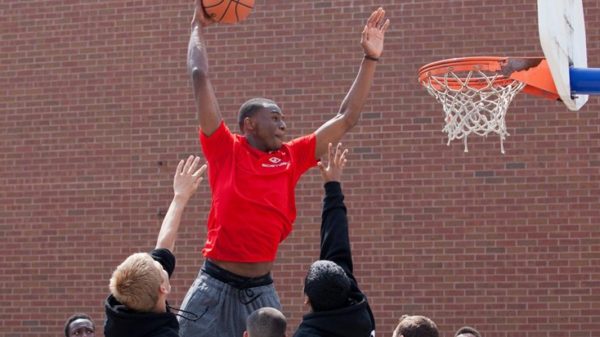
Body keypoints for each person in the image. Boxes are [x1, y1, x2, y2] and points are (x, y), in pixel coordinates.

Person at [180, 2, 390, 336]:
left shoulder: (292, 156)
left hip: (260, 292)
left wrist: (370, 58)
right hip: (214, 288)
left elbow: (346, 118)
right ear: (249, 124)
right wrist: (198, 26)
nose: (283, 124)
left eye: (283, 118)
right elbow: (198, 76)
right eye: (274, 117)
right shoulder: (225, 148)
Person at [103, 156, 207, 337]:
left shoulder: (124, 301)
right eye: (160, 268)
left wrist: (180, 197)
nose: (159, 262)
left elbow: (164, 244)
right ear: (163, 287)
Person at [292, 143, 374, 337]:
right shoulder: (359, 313)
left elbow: (337, 247)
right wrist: (333, 187)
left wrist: (333, 187)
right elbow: (337, 244)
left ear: (306, 300)